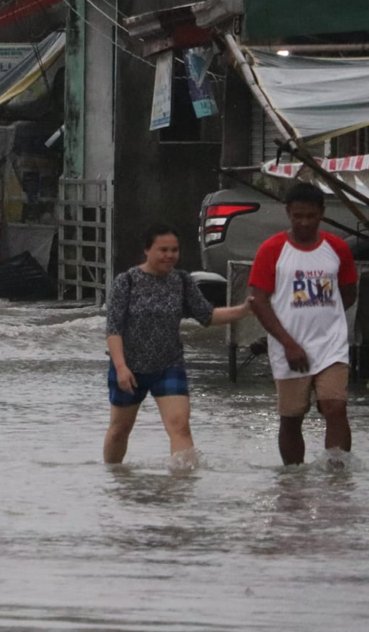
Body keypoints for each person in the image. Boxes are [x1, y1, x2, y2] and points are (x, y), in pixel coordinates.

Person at [103, 223, 249, 464]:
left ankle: (182, 487)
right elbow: (113, 329)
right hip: (129, 367)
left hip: (169, 365)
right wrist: (121, 368)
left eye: (174, 250)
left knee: (180, 426)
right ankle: (113, 478)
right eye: (163, 250)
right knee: (119, 430)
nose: (170, 256)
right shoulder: (126, 281)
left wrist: (244, 310)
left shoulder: (182, 281)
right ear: (147, 250)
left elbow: (207, 316)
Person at [247, 182, 359, 466]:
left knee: (335, 406)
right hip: (288, 347)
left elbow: (348, 293)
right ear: (288, 213)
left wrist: (326, 318)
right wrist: (288, 343)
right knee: (292, 417)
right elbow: (259, 301)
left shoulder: (337, 249)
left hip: (331, 345)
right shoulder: (272, 250)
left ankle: (336, 474)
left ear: (322, 214)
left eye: (310, 216)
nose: (304, 222)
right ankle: (294, 481)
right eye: (298, 216)